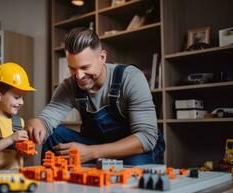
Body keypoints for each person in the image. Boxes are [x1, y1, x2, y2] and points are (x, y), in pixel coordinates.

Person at [26, 27, 165, 165]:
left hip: (134, 150)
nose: (79, 76)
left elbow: (147, 137)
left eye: (85, 67)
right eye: (73, 68)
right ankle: (51, 183)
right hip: (97, 144)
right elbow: (47, 120)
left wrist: (92, 152)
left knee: (133, 165)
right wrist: (38, 123)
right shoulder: (70, 86)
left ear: (102, 57)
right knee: (54, 135)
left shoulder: (131, 78)